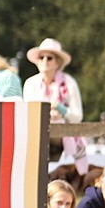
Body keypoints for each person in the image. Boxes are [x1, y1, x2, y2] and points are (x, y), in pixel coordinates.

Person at [23, 38, 87, 174]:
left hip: (62, 135)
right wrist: (48, 113)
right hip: (36, 132)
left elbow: (77, 117)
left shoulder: (69, 83)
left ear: (57, 62)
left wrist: (59, 107)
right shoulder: (30, 83)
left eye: (49, 58)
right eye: (41, 57)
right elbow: (27, 112)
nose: (44, 60)